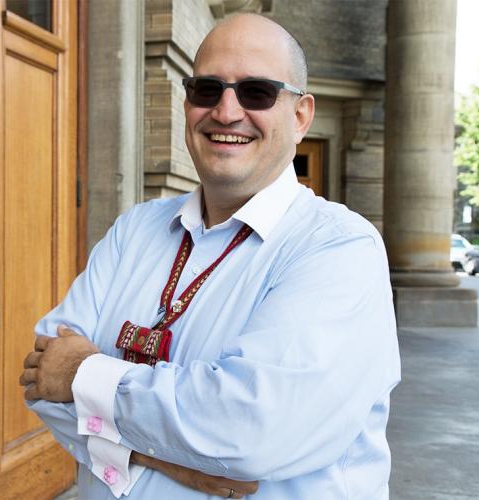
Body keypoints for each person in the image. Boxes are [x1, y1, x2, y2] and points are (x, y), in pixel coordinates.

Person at [20, 13, 400, 499]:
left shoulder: (339, 248)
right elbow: (41, 381)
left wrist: (82, 374)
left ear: (301, 115)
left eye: (256, 92)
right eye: (207, 89)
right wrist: (166, 458)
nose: (225, 111)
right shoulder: (133, 230)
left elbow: (249, 430)